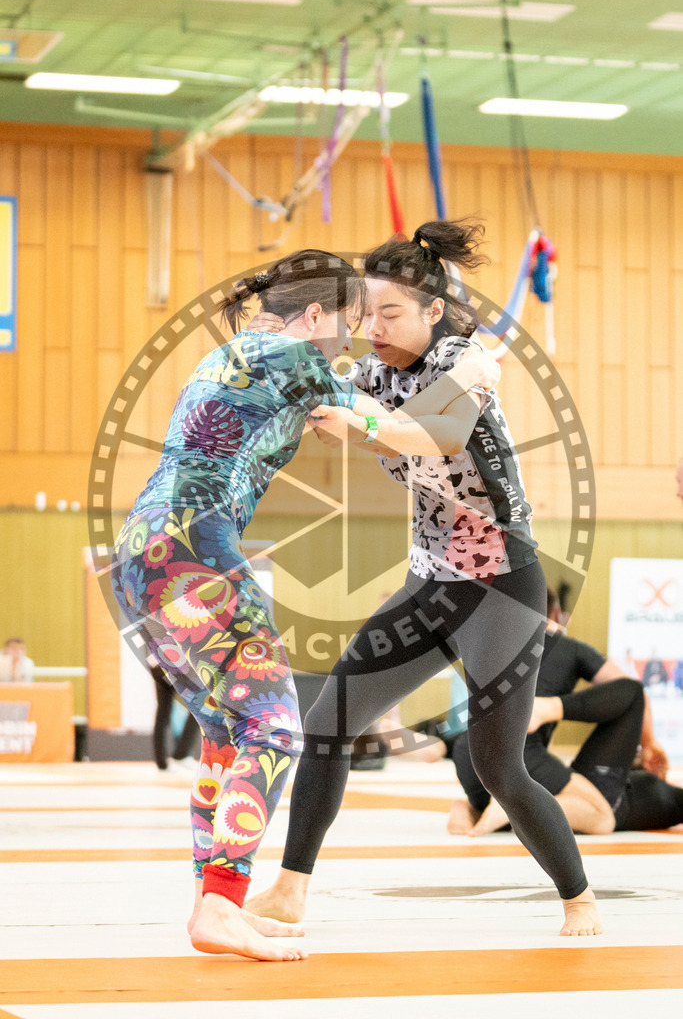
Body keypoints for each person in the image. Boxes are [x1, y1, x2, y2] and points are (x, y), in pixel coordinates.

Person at [110, 246, 496, 960]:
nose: (351, 340)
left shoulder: (234, 354)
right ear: (313, 315)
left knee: (230, 733)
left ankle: (213, 904)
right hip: (194, 544)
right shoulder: (299, 362)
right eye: (346, 325)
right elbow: (427, 434)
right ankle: (221, 900)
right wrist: (469, 374)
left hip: (144, 546)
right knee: (277, 725)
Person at [246, 221, 603, 937]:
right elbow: (298, 382)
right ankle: (288, 889)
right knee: (328, 725)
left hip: (503, 585)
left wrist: (356, 423)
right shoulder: (370, 372)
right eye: (365, 314)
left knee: (498, 766)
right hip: (431, 584)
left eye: (389, 313)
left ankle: (577, 899)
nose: (372, 328)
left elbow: (432, 434)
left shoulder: (463, 359)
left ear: (432, 311)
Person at [448, 586, 672, 836]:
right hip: (520, 757)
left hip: (468, 754)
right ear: (555, 614)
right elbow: (632, 692)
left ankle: (472, 808)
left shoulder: (488, 645)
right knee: (603, 818)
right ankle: (513, 812)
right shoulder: (566, 647)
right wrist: (649, 742)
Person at [450, 680, 683, 835]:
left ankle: (504, 811)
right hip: (606, 791)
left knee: (632, 694)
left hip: (608, 798)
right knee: (632, 692)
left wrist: (646, 747)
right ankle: (485, 810)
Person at [150, 664, 201, 772]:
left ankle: (161, 762)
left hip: (158, 666)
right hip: (177, 666)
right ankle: (182, 754)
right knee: (199, 705)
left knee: (162, 712)